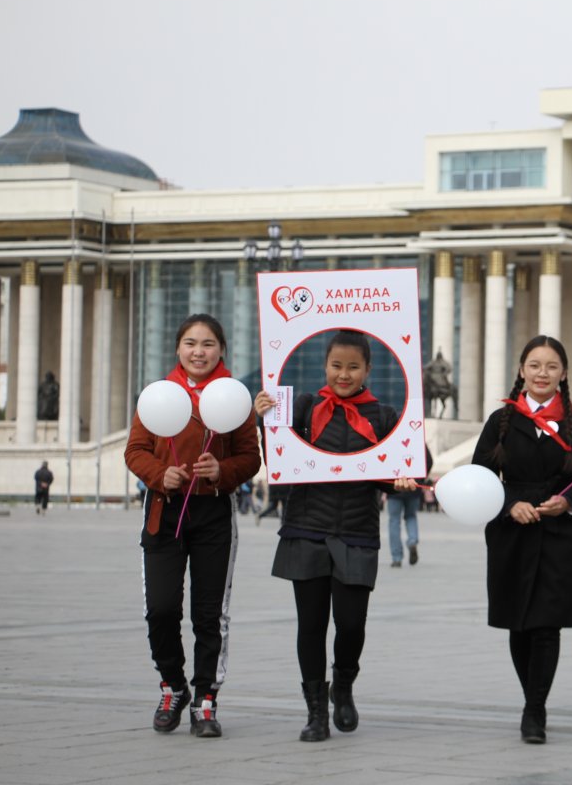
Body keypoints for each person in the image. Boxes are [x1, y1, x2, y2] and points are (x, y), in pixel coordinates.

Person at [254, 330, 418, 742]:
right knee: (310, 625)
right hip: (306, 527)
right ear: (325, 366)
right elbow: (279, 457)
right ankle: (315, 712)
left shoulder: (384, 415)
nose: (343, 374)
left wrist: (401, 479)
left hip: (357, 531)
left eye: (353, 367)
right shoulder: (304, 407)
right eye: (336, 366)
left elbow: (394, 470)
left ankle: (342, 684)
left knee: (351, 624)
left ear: (367, 369)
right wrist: (265, 417)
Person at [125, 314, 261, 738]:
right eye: (190, 343)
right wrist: (158, 474)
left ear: (222, 350)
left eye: (207, 344)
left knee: (209, 614)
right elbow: (135, 450)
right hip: (163, 513)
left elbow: (250, 458)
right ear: (177, 349)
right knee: (161, 609)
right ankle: (172, 686)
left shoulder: (234, 398)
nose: (198, 351)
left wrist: (222, 470)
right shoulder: (158, 396)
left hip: (213, 515)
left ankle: (206, 699)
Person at [471, 335, 572, 744]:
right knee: (519, 624)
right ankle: (531, 696)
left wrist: (568, 501)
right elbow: (480, 477)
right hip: (511, 532)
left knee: (547, 626)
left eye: (551, 366)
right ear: (521, 370)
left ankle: (535, 709)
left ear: (563, 373)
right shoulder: (501, 420)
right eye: (534, 365)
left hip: (560, 534)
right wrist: (509, 504)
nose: (542, 373)